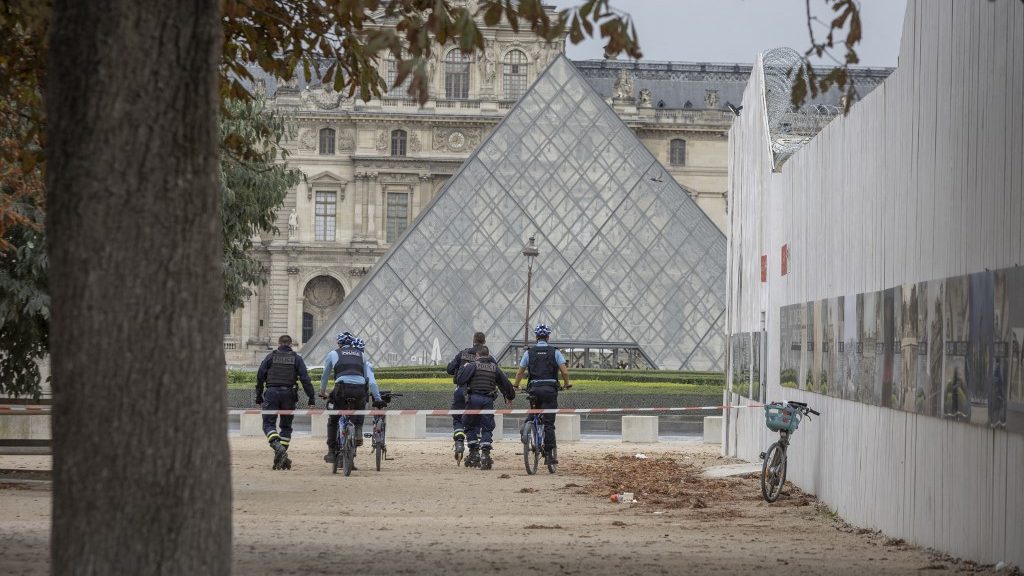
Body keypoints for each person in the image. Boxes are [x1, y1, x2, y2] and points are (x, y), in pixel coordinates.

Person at [320, 332, 385, 465]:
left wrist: (322, 391)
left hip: (342, 388)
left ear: (339, 343)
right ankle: (358, 433)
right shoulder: (361, 355)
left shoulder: (334, 353)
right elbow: (367, 379)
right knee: (357, 415)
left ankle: (332, 451)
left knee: (333, 419)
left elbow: (325, 374)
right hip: (359, 390)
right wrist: (369, 396)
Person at [513, 324, 571, 465]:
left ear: (536, 337)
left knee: (534, 413)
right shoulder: (555, 352)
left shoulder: (529, 353)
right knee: (549, 424)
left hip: (534, 390)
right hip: (550, 390)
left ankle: (526, 428)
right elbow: (564, 371)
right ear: (548, 337)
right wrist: (566, 384)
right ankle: (549, 455)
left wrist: (515, 385)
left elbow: (520, 372)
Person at [256, 335, 315, 470]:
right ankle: (281, 455)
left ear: (278, 343)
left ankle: (277, 447)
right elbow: (305, 379)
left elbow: (260, 376)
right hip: (289, 394)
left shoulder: (270, 357)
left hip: (271, 393)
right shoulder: (297, 358)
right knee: (286, 427)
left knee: (268, 424)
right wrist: (311, 398)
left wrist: (258, 397)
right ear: (291, 344)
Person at [455, 346, 515, 469]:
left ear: (477, 355)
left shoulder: (472, 366)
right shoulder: (494, 368)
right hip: (488, 400)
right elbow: (505, 383)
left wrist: (463, 368)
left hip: (473, 399)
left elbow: (460, 380)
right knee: (487, 427)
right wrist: (509, 396)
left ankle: (474, 452)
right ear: (488, 355)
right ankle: (485, 455)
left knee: (469, 424)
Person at [445, 331, 487, 457]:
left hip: (460, 391)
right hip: (476, 393)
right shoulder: (487, 356)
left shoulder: (463, 353)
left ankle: (459, 442)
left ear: (473, 341)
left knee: (458, 418)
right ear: (484, 342)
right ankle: (474, 451)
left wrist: (460, 369)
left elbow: (449, 369)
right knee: (475, 421)